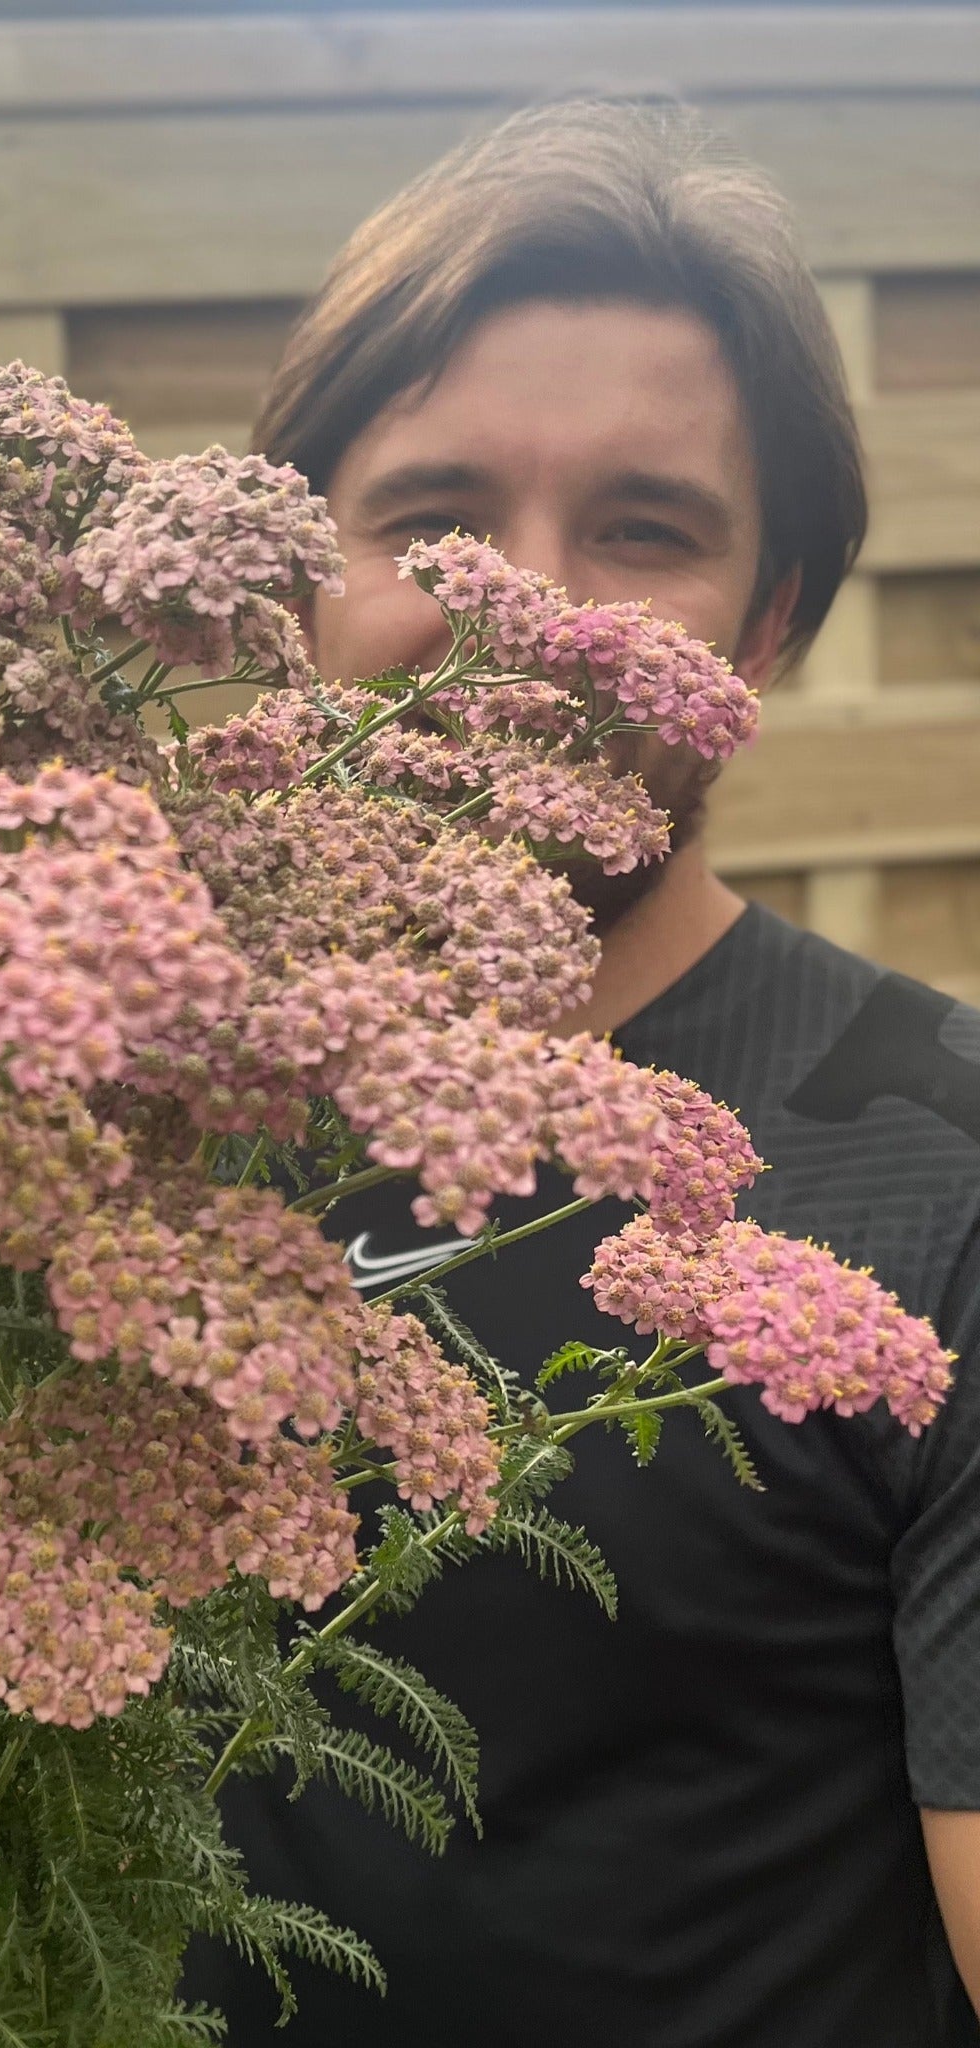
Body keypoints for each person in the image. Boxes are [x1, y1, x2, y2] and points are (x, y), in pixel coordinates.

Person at [180, 97, 980, 2046]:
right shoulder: (100, 1120)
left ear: (767, 625)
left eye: (641, 531)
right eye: (432, 520)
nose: (519, 618)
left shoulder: (941, 1172)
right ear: (294, 584)